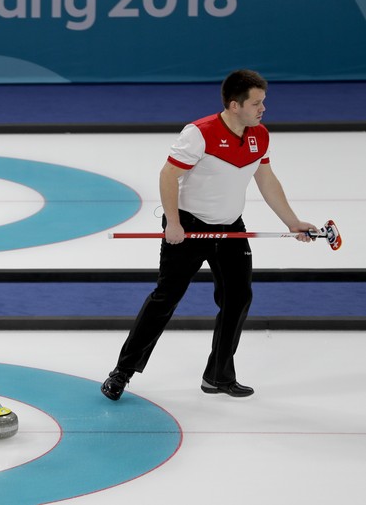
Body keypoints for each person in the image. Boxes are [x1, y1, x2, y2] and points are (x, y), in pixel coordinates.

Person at [101, 69, 316, 401]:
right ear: (234, 105)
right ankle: (122, 373)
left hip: (231, 228)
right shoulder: (199, 134)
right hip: (189, 227)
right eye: (256, 103)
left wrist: (293, 222)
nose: (263, 109)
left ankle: (218, 375)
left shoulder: (259, 135)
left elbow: (266, 179)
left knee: (238, 298)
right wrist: (173, 223)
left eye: (263, 102)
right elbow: (169, 175)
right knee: (165, 299)